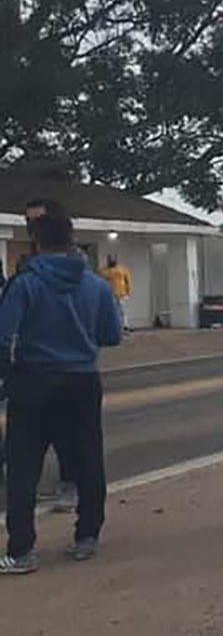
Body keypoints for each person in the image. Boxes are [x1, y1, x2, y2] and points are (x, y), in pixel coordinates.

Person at [0, 211, 123, 575]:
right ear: (72, 240)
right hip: (82, 381)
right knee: (87, 460)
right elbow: (112, 335)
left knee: (23, 468)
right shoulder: (97, 286)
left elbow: (4, 334)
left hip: (34, 380)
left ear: (37, 242)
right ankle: (87, 536)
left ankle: (22, 551)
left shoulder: (24, 284)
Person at [18, 198, 78, 513]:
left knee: (67, 431)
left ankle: (71, 484)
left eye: (37, 220)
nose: (32, 227)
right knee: (32, 430)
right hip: (34, 360)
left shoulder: (74, 259)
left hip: (69, 358)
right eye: (28, 221)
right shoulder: (27, 263)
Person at [98, 255, 133, 332]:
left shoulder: (122, 269)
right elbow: (100, 282)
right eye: (110, 260)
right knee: (110, 311)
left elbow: (128, 281)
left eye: (113, 259)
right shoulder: (103, 271)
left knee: (122, 311)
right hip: (109, 294)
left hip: (121, 294)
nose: (112, 261)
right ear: (108, 260)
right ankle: (112, 327)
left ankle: (125, 326)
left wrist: (128, 292)